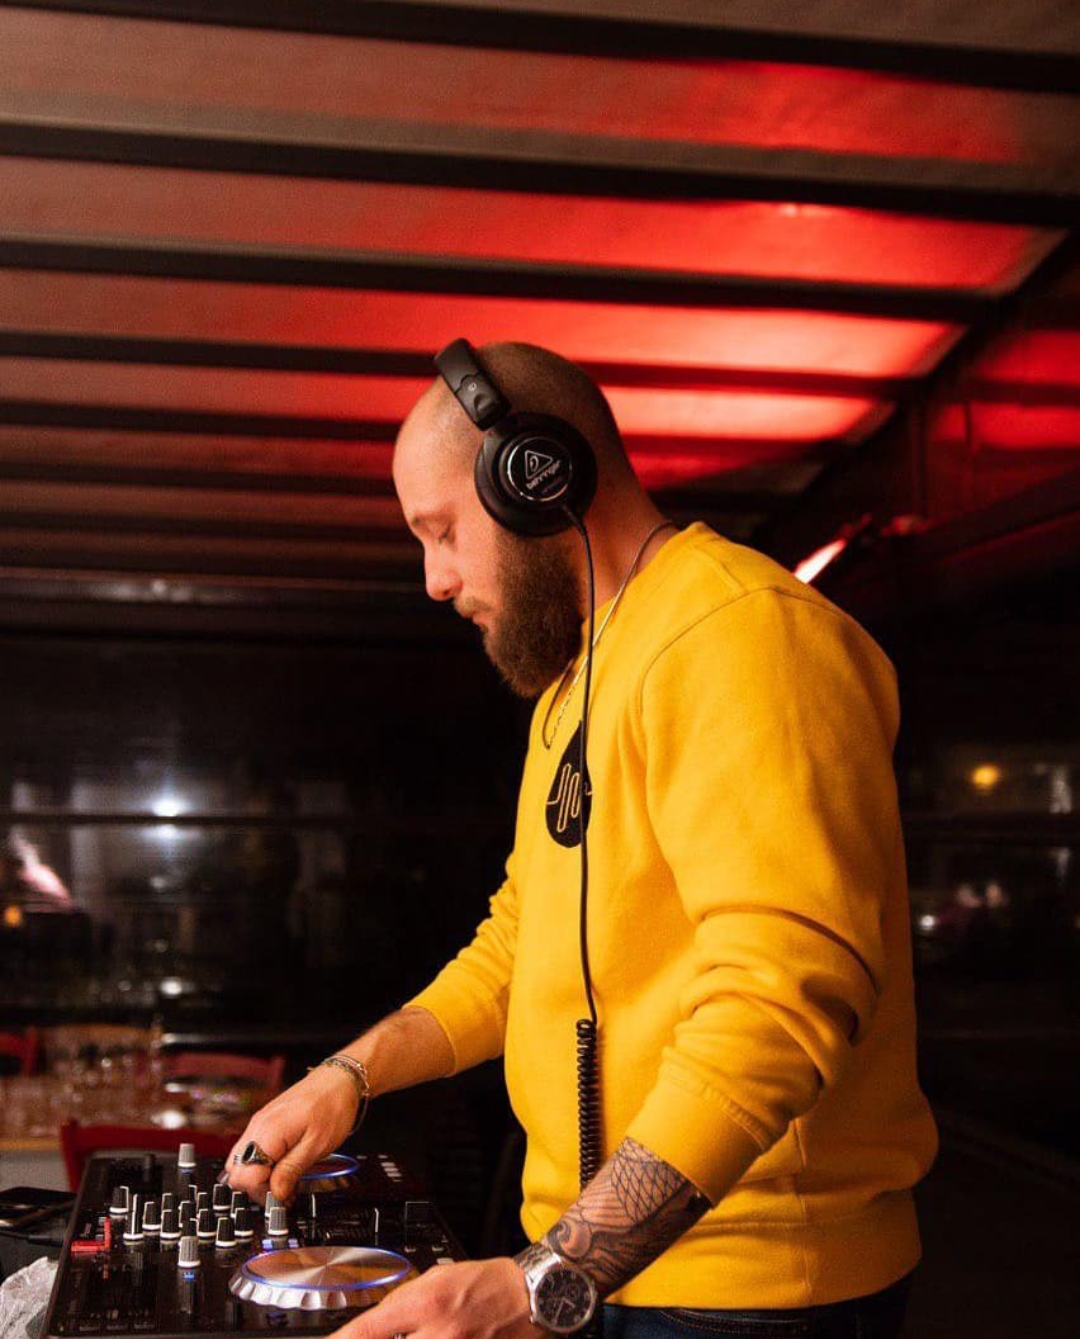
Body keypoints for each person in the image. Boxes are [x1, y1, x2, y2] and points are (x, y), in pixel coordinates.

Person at [226, 341, 938, 1339]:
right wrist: (348, 1075)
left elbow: (779, 1000)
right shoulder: (575, 684)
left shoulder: (741, 632)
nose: (435, 580)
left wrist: (545, 1278)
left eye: (442, 532)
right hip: (605, 1265)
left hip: (749, 1294)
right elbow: (517, 950)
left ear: (535, 478)